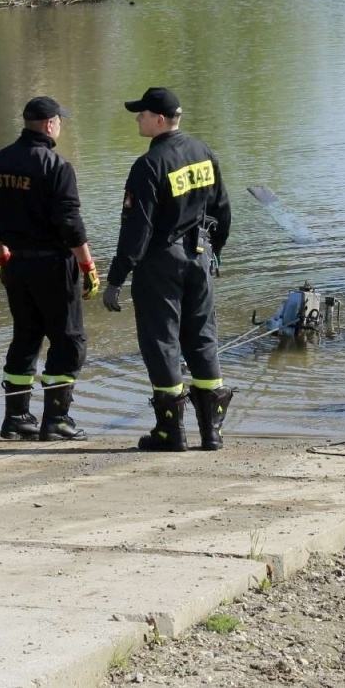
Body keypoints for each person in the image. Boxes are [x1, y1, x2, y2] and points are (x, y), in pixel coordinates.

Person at [101, 87, 233, 452]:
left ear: (159, 120)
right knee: (202, 337)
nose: (137, 119)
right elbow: (223, 210)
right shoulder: (203, 152)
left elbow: (136, 229)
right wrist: (214, 255)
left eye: (141, 114)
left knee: (162, 342)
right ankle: (212, 432)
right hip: (200, 257)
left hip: (160, 262)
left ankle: (171, 431)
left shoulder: (148, 165)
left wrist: (115, 279)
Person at [0, 96, 101, 441]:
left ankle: (17, 418)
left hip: (17, 264)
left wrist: (2, 257)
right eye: (59, 121)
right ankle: (57, 420)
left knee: (26, 336)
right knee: (69, 340)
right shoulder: (56, 166)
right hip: (54, 264)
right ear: (50, 124)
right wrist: (88, 265)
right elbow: (70, 224)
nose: (60, 125)